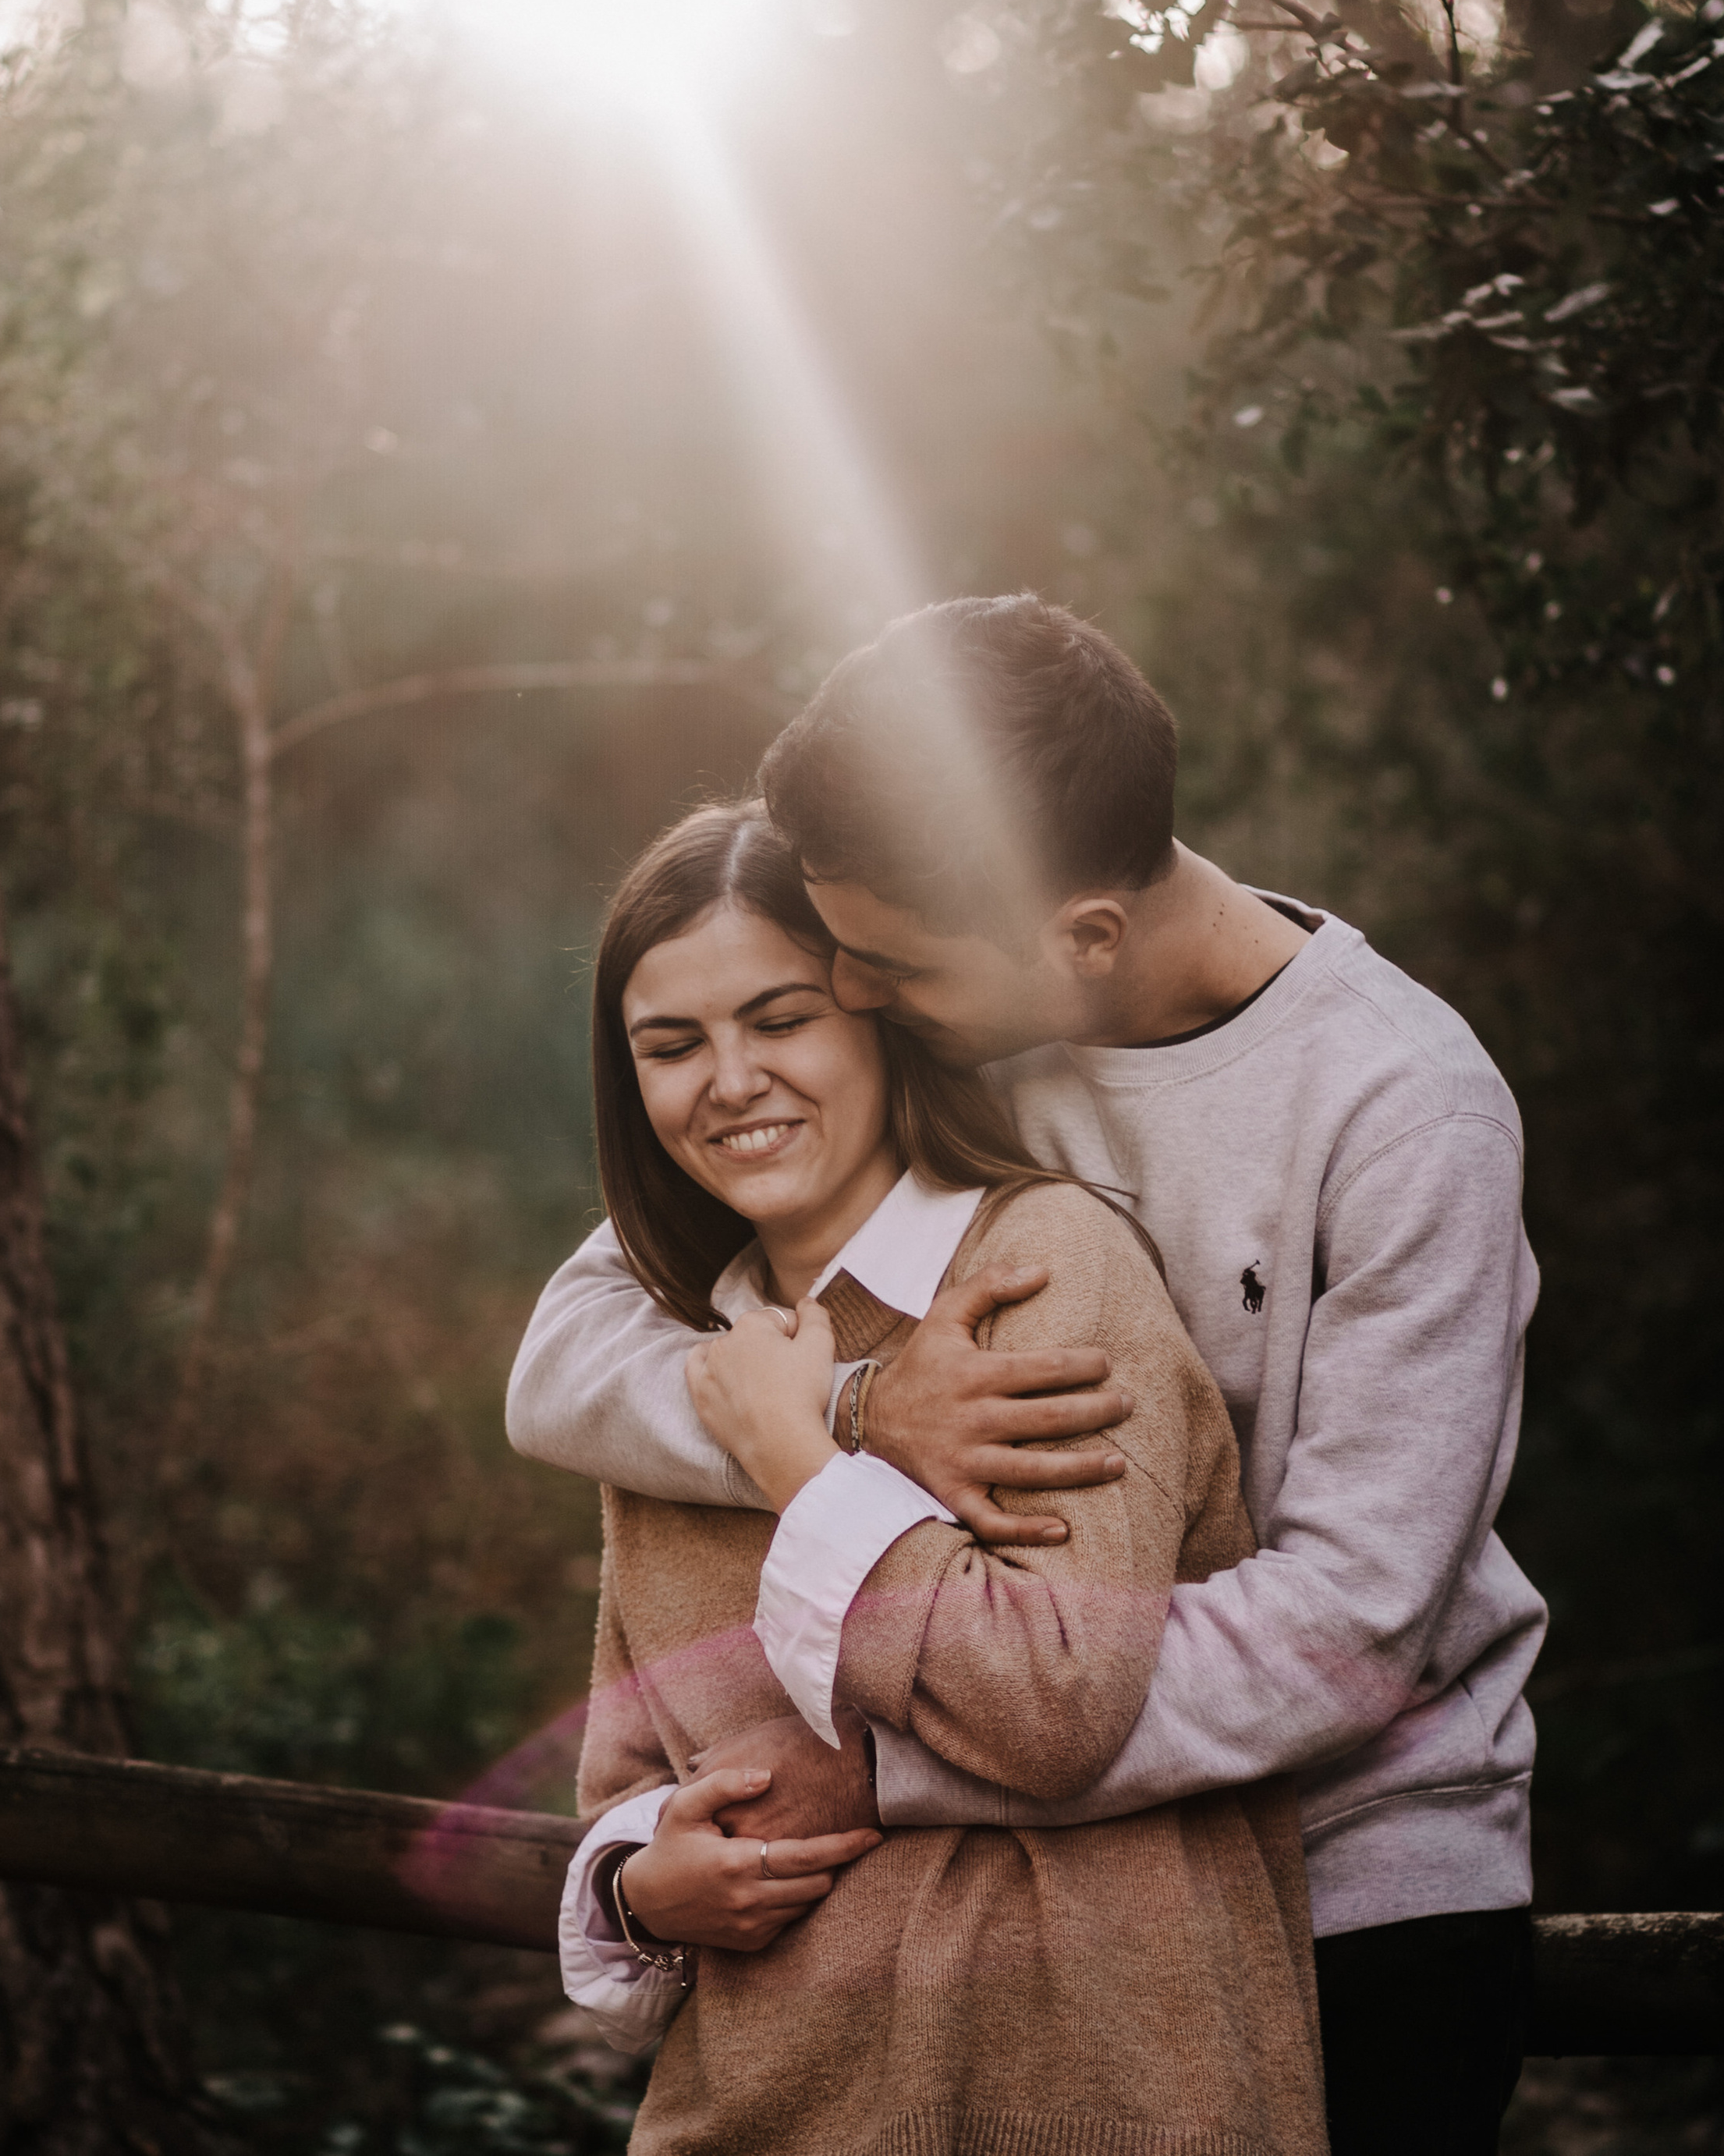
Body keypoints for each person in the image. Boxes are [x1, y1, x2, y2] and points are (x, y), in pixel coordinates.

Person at [516, 595, 1545, 2156]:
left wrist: (878, 1768)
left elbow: (1350, 1622)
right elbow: (585, 1344)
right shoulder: (961, 1022)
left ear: (1081, 938)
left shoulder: (1400, 1112)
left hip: (1358, 1879)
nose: (850, 996)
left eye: (873, 968)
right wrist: (851, 1412)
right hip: (1013, 1888)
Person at [556, 801, 1328, 2156]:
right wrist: (636, 1883)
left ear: (875, 1018)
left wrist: (804, 1460)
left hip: (1093, 2100)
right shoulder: (693, 1371)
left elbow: (1056, 1701)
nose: (729, 1080)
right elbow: (634, 1770)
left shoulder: (1044, 1274)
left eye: (780, 1019)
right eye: (671, 1046)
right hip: (761, 2111)